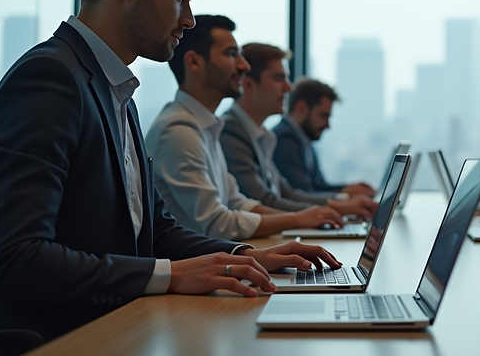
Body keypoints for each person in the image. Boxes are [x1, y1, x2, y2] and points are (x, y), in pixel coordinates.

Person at [0, 0, 339, 342]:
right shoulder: (49, 80)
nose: (189, 19)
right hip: (49, 347)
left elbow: (153, 230)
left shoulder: (113, 89)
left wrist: (245, 255)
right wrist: (171, 275)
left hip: (112, 332)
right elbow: (15, 261)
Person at [147, 16, 352, 240]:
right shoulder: (178, 130)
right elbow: (218, 223)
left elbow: (236, 202)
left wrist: (303, 219)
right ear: (195, 63)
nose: (243, 66)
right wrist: (297, 220)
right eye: (231, 54)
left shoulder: (204, 126)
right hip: (193, 265)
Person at [219, 43, 378, 219]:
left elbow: (286, 192)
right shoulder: (230, 132)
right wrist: (340, 206)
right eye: (279, 78)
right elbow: (263, 200)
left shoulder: (260, 134)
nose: (289, 88)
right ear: (248, 85)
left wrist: (341, 203)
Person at [273, 78, 375, 197]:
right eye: (323, 115)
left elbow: (318, 186)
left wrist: (348, 189)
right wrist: (343, 195)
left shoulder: (304, 140)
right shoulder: (284, 141)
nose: (327, 125)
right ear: (301, 108)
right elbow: (303, 196)